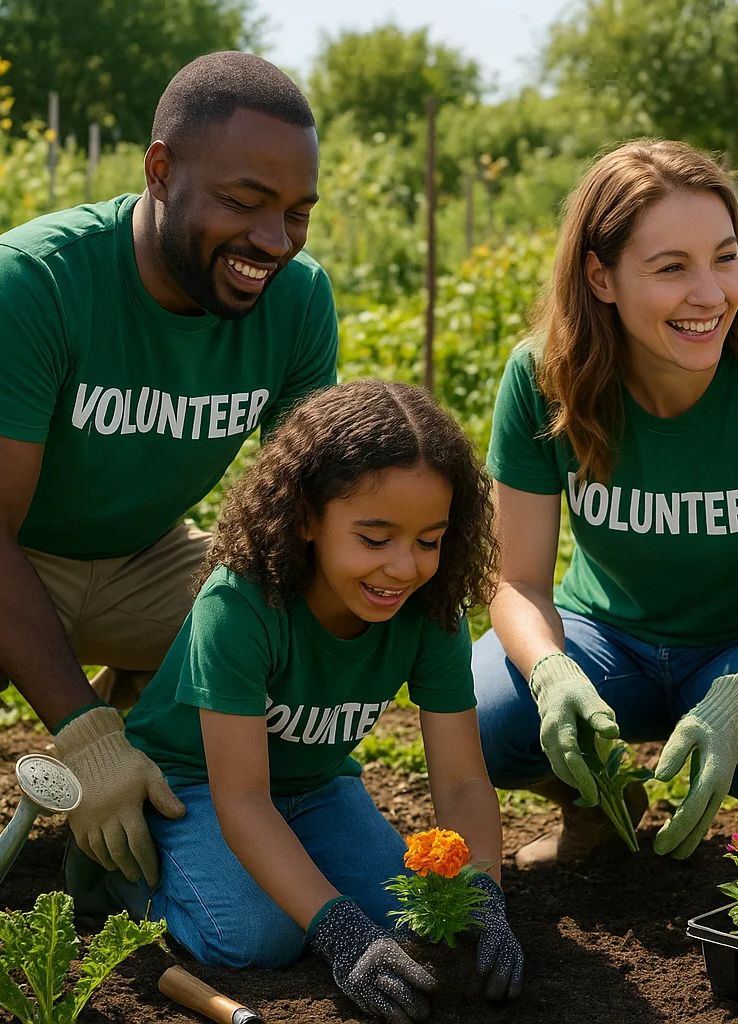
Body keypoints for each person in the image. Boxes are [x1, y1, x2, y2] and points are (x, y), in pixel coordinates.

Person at [0, 50, 338, 890]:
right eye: (244, 202)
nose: (271, 240)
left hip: (142, 554)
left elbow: (295, 514)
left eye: (295, 212)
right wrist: (83, 728)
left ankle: (159, 781)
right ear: (160, 170)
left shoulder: (296, 303)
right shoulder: (31, 282)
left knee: (286, 627)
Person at [473, 140, 738, 868]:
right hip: (609, 641)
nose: (713, 294)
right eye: (671, 268)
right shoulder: (543, 378)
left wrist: (737, 702)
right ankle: (596, 809)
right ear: (601, 277)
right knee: (484, 718)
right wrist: (553, 673)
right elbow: (517, 583)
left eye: (725, 258)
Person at [124, 381, 522, 1021]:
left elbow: (464, 780)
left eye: (429, 540)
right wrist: (340, 933)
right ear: (306, 517)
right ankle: (130, 878)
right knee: (259, 939)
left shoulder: (433, 609)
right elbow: (243, 796)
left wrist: (485, 895)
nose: (403, 567)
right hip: (191, 785)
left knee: (413, 917)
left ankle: (297, 887)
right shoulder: (241, 603)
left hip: (318, 786)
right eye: (374, 538)